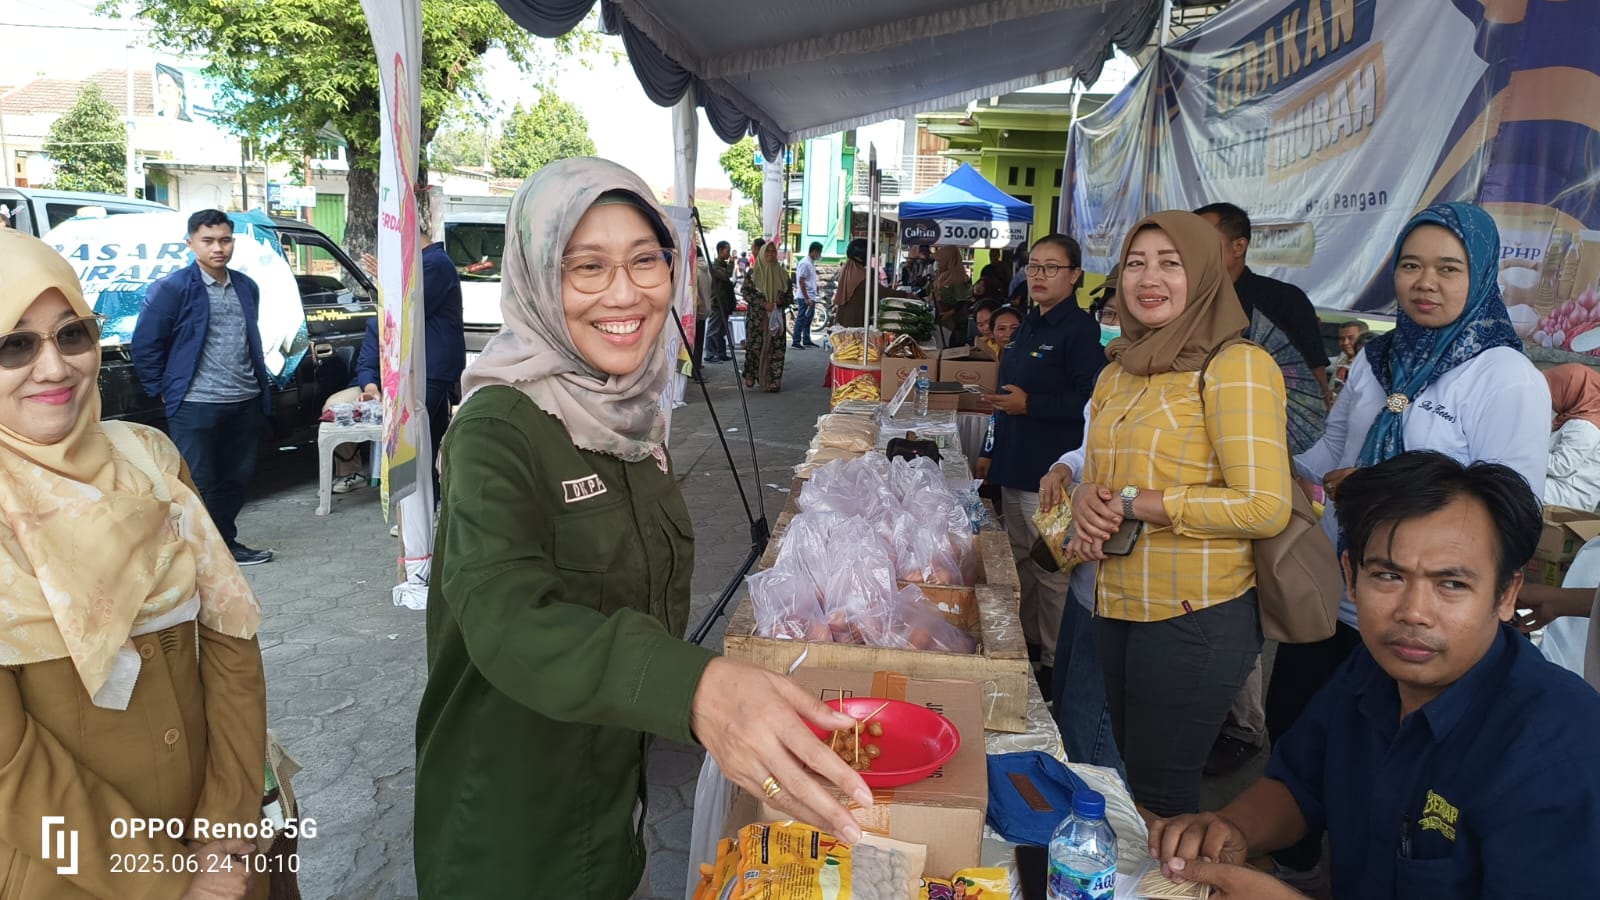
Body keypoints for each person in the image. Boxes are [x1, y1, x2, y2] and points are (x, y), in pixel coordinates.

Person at [412, 159, 871, 898]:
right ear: (534, 276)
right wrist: (697, 690)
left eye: (644, 261)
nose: (624, 293)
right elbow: (504, 618)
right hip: (512, 835)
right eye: (586, 267)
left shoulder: (629, 414)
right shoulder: (498, 427)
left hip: (615, 806)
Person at [1149, 452, 1600, 899]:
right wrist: (1232, 829)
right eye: (1387, 575)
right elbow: (1300, 785)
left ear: (1506, 595)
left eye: (1452, 584)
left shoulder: (1560, 748)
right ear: (1351, 576)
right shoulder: (1370, 670)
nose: (1413, 613)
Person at [1268, 200, 1550, 881]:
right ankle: (1298, 868)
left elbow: (1513, 510)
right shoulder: (1379, 356)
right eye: (1412, 265)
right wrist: (1251, 457)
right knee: (1300, 730)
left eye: (1448, 268)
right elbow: (1329, 450)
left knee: (1402, 771)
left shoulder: (1504, 377)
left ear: (1479, 275)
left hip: (1422, 607)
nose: (1426, 282)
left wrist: (1375, 486)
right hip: (1344, 593)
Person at [0, 230, 267, 899]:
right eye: (14, 345)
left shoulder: (150, 459)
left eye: (71, 335)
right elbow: (9, 767)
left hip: (216, 843)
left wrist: (229, 827)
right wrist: (165, 880)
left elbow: (232, 639)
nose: (56, 368)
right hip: (66, 871)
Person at [1065, 211, 1292, 817]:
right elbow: (1102, 475)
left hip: (1194, 613)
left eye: (1171, 263)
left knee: (1162, 793)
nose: (1149, 278)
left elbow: (1266, 505)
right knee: (1132, 777)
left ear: (1205, 272)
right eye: (1136, 263)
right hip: (1115, 604)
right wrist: (1083, 493)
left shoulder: (1236, 366)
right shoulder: (1119, 371)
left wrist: (1142, 503)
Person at [975, 234, 1104, 698]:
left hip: (1052, 474)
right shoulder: (1027, 324)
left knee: (1052, 574)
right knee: (1020, 567)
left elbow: (1090, 403)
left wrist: (1033, 405)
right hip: (1013, 463)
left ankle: (1054, 663)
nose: (1040, 276)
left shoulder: (1081, 332)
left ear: (1074, 276)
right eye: (1034, 267)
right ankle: (1029, 647)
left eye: (1052, 268)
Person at [131, 209, 275, 567]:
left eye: (225, 240)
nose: (218, 248)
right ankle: (198, 553)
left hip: (245, 399)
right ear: (190, 243)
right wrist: (162, 389)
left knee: (236, 479)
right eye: (208, 240)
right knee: (198, 482)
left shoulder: (246, 286)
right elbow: (146, 343)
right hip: (196, 403)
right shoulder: (173, 289)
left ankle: (226, 544)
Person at [1196, 202, 1333, 407]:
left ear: (1239, 247)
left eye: (1201, 240)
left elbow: (1314, 381)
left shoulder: (1285, 300)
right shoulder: (1181, 302)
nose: (1191, 250)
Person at [1543, 363, 1600, 512]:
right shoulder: (1575, 418)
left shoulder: (1586, 426)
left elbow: (1561, 466)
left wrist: (1523, 454)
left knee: (1502, 487)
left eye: (1555, 389)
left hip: (1569, 496)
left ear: (1571, 391)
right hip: (1559, 486)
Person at [742, 241, 790, 392]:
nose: (770, 255)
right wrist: (763, 303)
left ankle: (773, 381)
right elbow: (746, 293)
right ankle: (750, 374)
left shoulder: (783, 274)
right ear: (762, 254)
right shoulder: (753, 273)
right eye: (767, 252)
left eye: (773, 252)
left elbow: (790, 297)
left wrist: (780, 301)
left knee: (776, 349)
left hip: (776, 319)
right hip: (757, 319)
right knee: (754, 348)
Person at [704, 240, 737, 362]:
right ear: (720, 251)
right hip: (717, 303)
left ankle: (721, 353)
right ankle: (709, 354)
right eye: (727, 251)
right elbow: (725, 276)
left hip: (725, 303)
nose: (729, 254)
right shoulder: (715, 266)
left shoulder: (722, 264)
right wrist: (732, 264)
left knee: (722, 330)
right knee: (713, 330)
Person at [932, 245, 972, 344]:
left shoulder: (957, 277)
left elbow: (961, 301)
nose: (939, 263)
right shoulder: (942, 275)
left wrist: (948, 314)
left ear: (949, 259)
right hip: (941, 317)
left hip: (953, 322)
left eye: (941, 260)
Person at [1329, 320, 1369, 398]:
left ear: (1364, 338)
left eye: (1351, 338)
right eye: (1342, 338)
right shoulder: (1342, 357)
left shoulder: (1369, 363)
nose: (1345, 342)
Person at [792, 241, 821, 349]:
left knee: (808, 319)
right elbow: (801, 281)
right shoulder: (805, 263)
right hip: (805, 296)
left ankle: (806, 339)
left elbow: (808, 280)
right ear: (814, 251)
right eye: (819, 253)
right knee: (801, 318)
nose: (819, 256)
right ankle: (796, 341)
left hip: (810, 295)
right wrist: (806, 297)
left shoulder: (810, 263)